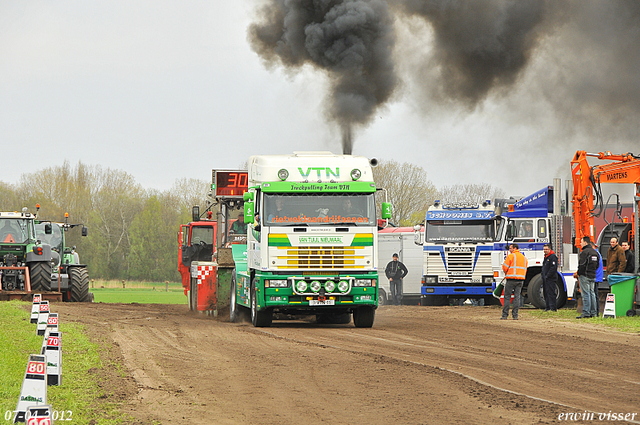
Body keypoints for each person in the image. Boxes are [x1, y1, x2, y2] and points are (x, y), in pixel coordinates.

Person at [574, 236, 599, 319]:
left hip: (584, 275)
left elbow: (581, 265)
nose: (580, 244)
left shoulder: (584, 252)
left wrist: (579, 274)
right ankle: (594, 312)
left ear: (585, 242)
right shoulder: (595, 252)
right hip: (593, 275)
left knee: (586, 294)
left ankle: (586, 312)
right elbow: (597, 265)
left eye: (581, 242)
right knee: (592, 293)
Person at [501, 243, 528, 320]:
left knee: (507, 297)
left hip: (511, 279)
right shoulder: (524, 258)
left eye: (510, 248)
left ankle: (505, 315)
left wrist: (507, 273)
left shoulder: (511, 256)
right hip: (520, 280)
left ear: (515, 248)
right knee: (517, 297)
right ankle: (515, 315)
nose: (509, 250)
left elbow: (504, 267)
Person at [541, 244, 558, 312]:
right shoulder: (546, 257)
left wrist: (547, 275)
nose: (545, 251)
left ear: (550, 249)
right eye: (544, 249)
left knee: (551, 293)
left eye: (546, 249)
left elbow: (553, 268)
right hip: (546, 278)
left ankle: (553, 308)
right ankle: (547, 307)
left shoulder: (552, 257)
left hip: (551, 278)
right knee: (546, 293)